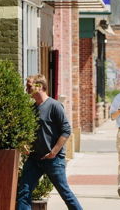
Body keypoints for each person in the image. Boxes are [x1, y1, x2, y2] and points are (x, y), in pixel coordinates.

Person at [17, 74, 83, 210]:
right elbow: (29, 130)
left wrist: (53, 152)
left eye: (29, 86)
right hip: (35, 159)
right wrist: (24, 143)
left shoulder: (54, 106)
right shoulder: (32, 108)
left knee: (65, 193)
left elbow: (66, 131)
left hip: (53, 160)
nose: (26, 89)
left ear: (39, 86)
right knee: (24, 191)